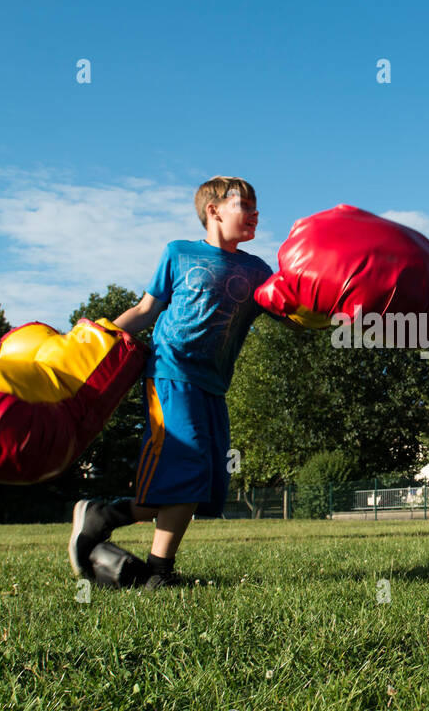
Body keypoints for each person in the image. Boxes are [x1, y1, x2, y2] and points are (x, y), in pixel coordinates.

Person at [66, 176, 274, 589]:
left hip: (214, 386)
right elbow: (145, 310)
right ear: (214, 211)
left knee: (198, 483)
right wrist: (91, 341)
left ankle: (104, 516)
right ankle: (159, 572)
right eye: (243, 205)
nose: (254, 214)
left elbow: (293, 309)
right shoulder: (178, 254)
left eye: (256, 207)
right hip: (170, 374)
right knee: (188, 462)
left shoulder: (258, 270)